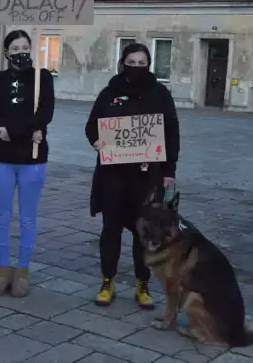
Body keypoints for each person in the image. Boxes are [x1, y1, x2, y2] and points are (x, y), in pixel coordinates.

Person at [85, 42, 180, 309]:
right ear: (122, 62)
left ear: (148, 65)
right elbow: (92, 126)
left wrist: (169, 170)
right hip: (113, 173)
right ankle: (108, 280)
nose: (136, 67)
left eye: (142, 63)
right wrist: (96, 141)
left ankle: (142, 283)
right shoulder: (109, 93)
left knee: (145, 230)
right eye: (132, 62)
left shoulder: (160, 94)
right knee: (111, 229)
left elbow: (171, 133)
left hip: (147, 175)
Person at [0, 29, 55, 298]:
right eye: (15, 48)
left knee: (28, 217)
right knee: (1, 216)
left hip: (32, 158)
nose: (21, 52)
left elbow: (44, 114)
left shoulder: (41, 78)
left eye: (25, 47)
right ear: (6, 53)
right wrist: (20, 130)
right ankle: (3, 269)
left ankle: (22, 270)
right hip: (1, 157)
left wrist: (10, 130)